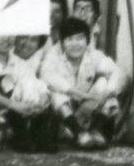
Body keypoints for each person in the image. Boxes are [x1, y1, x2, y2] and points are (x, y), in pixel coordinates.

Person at [39, 17, 128, 149]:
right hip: (65, 118)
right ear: (62, 42)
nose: (75, 44)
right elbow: (48, 77)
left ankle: (96, 131)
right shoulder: (54, 55)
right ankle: (78, 133)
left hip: (87, 113)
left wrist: (107, 93)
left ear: (88, 41)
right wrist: (83, 95)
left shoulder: (94, 55)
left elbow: (119, 74)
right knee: (55, 92)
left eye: (80, 38)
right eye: (69, 39)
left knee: (105, 84)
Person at [0, 35, 52, 151]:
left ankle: (34, 132)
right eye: (1, 34)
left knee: (28, 82)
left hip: (11, 112)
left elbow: (35, 83)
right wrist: (12, 105)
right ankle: (17, 134)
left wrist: (43, 97)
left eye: (10, 35)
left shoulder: (18, 62)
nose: (6, 39)